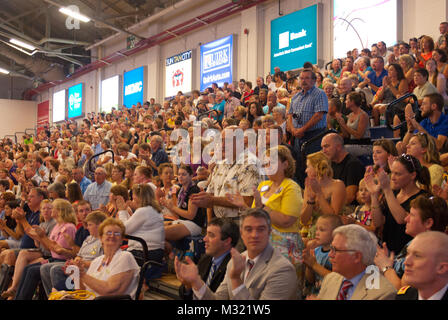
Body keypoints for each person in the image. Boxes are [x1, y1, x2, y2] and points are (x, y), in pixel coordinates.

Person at [175, 208, 298, 300]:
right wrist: (196, 282)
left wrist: (235, 279)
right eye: (249, 229)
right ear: (242, 233)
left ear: (269, 232)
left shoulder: (282, 269)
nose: (254, 235)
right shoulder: (235, 260)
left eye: (261, 229)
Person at [227, 146, 304, 275]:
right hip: (261, 242)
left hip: (284, 245)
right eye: (265, 163)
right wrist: (244, 206)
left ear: (285, 164)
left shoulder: (291, 187)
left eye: (272, 162)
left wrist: (262, 207)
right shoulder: (263, 185)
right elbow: (256, 215)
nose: (268, 166)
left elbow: (286, 221)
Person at [375, 195, 448, 291]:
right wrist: (387, 260)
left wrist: (386, 267)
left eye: (412, 215)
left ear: (428, 223)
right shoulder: (415, 242)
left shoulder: (429, 251)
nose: (406, 219)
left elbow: (403, 290)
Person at [365, 154, 431, 254]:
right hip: (388, 251)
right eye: (392, 173)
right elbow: (378, 222)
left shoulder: (423, 198)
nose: (393, 177)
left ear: (412, 175)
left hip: (408, 253)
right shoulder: (392, 194)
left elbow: (401, 219)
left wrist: (387, 189)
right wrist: (374, 195)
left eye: (398, 174)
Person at [13, 199, 77, 300]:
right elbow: (50, 247)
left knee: (33, 271)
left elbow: (58, 250)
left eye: (53, 208)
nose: (51, 210)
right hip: (53, 258)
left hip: (62, 260)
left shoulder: (68, 227)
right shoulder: (58, 225)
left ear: (60, 210)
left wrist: (42, 237)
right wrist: (40, 238)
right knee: (27, 269)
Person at [311, 224, 396, 300]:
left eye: (335, 250)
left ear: (357, 257)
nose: (330, 254)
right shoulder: (330, 279)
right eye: (331, 248)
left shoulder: (383, 293)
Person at [69, 218, 140, 299]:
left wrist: (82, 274)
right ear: (101, 238)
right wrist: (75, 275)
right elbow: (83, 293)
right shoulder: (97, 261)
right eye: (108, 232)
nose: (112, 235)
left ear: (121, 240)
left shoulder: (125, 257)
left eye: (117, 234)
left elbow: (109, 290)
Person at [40, 210, 107, 295]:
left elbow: (101, 264)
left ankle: (66, 295)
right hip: (77, 270)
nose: (87, 228)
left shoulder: (104, 242)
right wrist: (74, 262)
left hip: (88, 274)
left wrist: (80, 264)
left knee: (56, 270)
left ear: (100, 225)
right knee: (51, 280)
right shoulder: (88, 239)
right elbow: (79, 255)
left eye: (90, 225)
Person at [178, 218, 239, 300]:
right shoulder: (206, 258)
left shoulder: (235, 266)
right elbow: (185, 296)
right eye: (206, 234)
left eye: (211, 235)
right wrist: (188, 285)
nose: (204, 239)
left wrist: (195, 281)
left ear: (227, 241)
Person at [287, 69, 329, 188]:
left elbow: (318, 115)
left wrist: (302, 129)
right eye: (302, 78)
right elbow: (290, 114)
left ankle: (316, 193)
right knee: (299, 166)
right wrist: (293, 129)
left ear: (314, 80)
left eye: (307, 78)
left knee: (314, 167)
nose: (303, 81)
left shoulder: (319, 94)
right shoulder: (296, 97)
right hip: (297, 136)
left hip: (314, 136)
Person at [116, 184, 165, 266]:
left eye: (133, 195)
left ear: (138, 197)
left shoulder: (143, 211)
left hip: (144, 253)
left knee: (113, 259)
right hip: (155, 252)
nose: (132, 198)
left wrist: (122, 211)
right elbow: (131, 226)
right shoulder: (154, 210)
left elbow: (124, 229)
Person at [395, 231, 448, 300]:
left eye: (417, 256)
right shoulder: (404, 296)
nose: (406, 262)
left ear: (441, 268)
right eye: (408, 253)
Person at [161, 165, 206, 241]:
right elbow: (178, 214)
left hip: (194, 224)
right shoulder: (180, 191)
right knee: (154, 227)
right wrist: (168, 205)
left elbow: (190, 215)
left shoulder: (193, 190)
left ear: (191, 176)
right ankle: (171, 251)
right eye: (179, 174)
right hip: (182, 221)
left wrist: (172, 207)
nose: (180, 177)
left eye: (184, 174)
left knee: (161, 232)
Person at [302, 214, 343, 296]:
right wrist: (309, 266)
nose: (317, 233)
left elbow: (337, 279)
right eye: (316, 229)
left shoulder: (337, 254)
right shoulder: (316, 251)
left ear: (335, 233)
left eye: (322, 230)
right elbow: (311, 280)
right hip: (316, 293)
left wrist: (314, 264)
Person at [320, 133, 365, 206]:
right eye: (322, 147)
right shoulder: (329, 164)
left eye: (326, 146)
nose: (323, 151)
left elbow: (350, 197)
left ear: (338, 147)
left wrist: (328, 208)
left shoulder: (353, 164)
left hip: (348, 208)